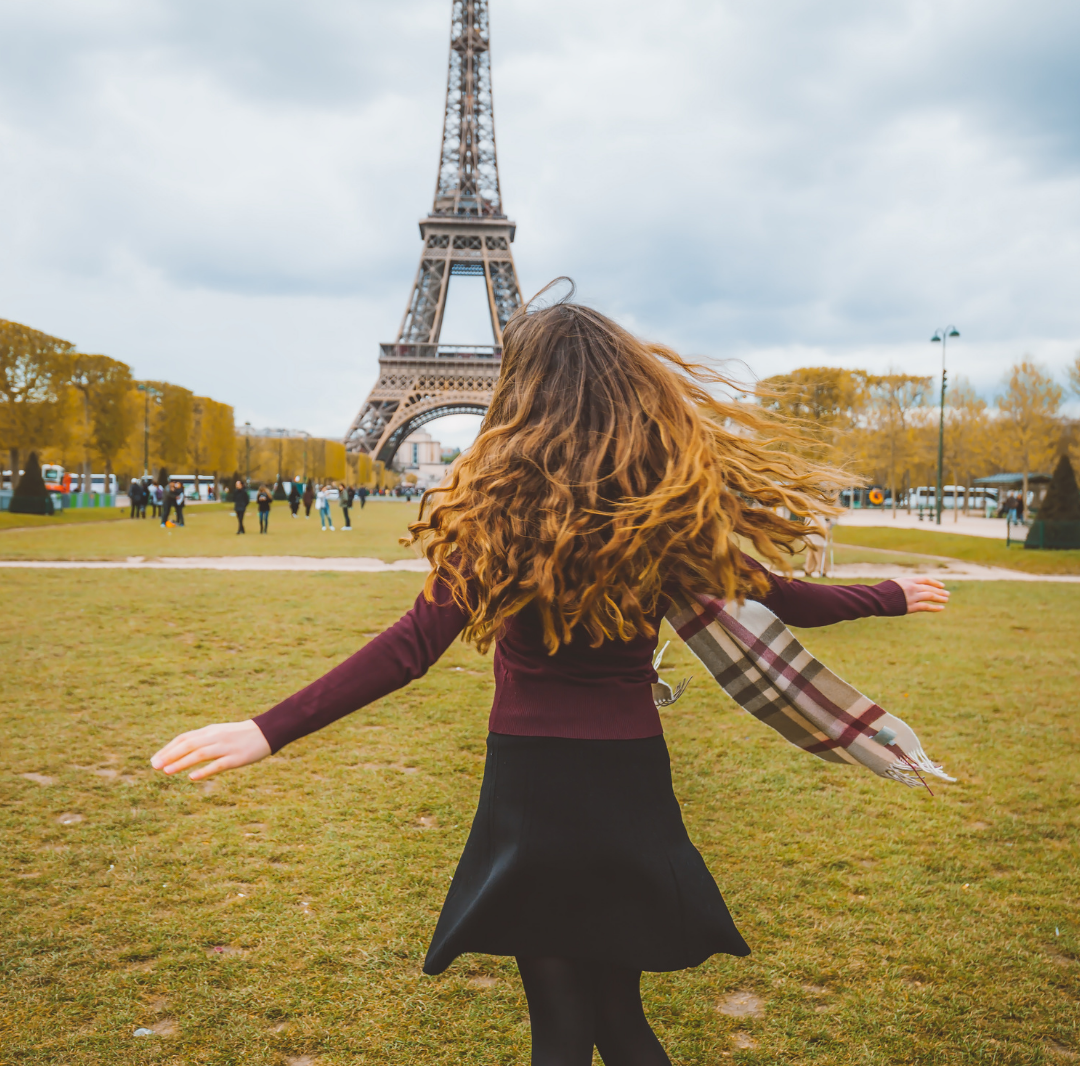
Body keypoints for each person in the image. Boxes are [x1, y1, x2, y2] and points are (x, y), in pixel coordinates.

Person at [151, 295, 950, 1066]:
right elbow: (794, 602)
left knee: (562, 1031)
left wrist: (266, 729)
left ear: (519, 396)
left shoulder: (496, 519)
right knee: (621, 1019)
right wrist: (889, 595)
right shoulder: (665, 515)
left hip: (532, 786)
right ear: (629, 392)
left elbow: (407, 650)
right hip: (630, 779)